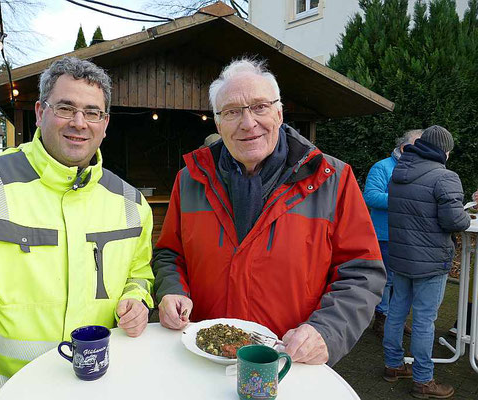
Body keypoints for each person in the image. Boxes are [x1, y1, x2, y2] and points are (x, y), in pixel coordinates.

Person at [0, 57, 155, 400]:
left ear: (105, 123)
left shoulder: (131, 202)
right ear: (40, 112)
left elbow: (138, 273)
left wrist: (136, 298)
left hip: (101, 387)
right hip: (6, 390)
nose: (79, 123)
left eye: (92, 112)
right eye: (66, 108)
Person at [152, 58, 386, 366]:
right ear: (219, 123)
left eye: (260, 107)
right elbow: (170, 254)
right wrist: (171, 291)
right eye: (232, 112)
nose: (248, 123)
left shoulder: (332, 179)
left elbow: (362, 272)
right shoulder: (190, 179)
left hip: (289, 359)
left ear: (279, 112)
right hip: (204, 355)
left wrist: (326, 332)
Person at [383, 125, 470, 399]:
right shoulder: (445, 177)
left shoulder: (399, 172)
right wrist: (467, 218)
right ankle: (423, 380)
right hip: (430, 261)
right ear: (443, 150)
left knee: (396, 311)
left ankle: (393, 365)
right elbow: (454, 220)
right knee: (424, 320)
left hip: (401, 256)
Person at [363, 130, 422, 337]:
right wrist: (404, 200)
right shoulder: (382, 167)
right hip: (385, 234)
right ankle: (382, 319)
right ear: (405, 148)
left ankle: (396, 319)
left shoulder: (421, 170)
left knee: (404, 280)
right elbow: (370, 197)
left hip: (411, 236)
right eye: (419, 147)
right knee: (386, 280)